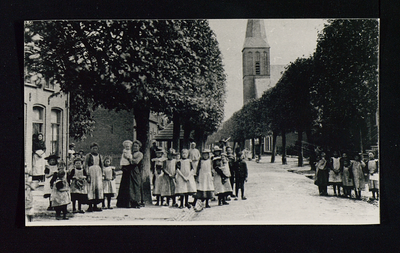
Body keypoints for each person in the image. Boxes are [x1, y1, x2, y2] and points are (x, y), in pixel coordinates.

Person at [116, 140, 143, 208]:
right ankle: (125, 203)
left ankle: (135, 202)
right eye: (134, 146)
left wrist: (129, 159)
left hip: (134, 171)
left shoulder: (140, 154)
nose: (135, 147)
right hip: (128, 171)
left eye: (136, 146)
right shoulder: (130, 152)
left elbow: (136, 162)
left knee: (135, 186)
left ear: (139, 147)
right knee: (127, 186)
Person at [84, 142, 104, 212]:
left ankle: (95, 205)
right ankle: (90, 206)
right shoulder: (88, 156)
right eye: (93, 148)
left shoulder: (99, 156)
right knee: (91, 188)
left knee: (97, 188)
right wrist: (87, 174)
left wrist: (102, 174)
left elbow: (101, 165)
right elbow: (86, 165)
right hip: (91, 172)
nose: (95, 150)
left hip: (98, 173)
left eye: (96, 148)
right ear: (91, 149)